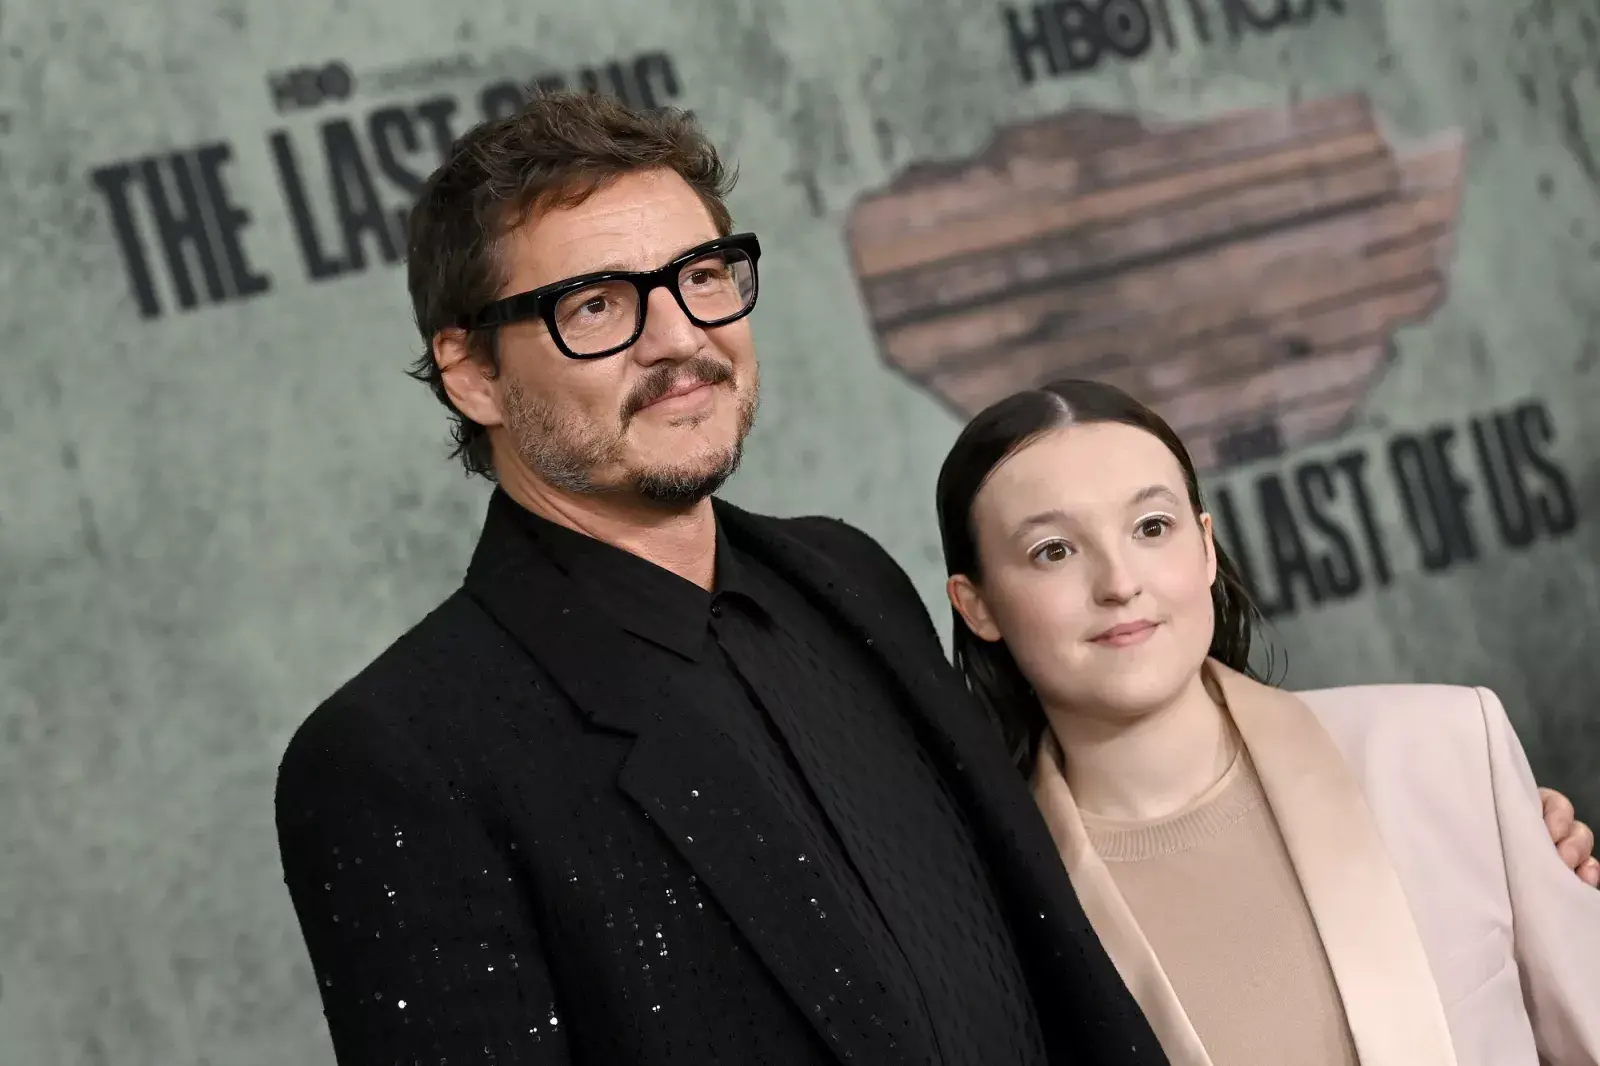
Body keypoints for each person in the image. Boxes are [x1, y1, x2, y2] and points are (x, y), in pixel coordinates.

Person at [273, 93, 1595, 1066]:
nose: (680, 339)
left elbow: (1068, 872)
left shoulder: (846, 578)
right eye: (600, 306)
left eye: (700, 278)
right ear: (473, 370)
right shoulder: (401, 754)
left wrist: (1471, 840)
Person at [936, 378, 1600, 1066]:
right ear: (976, 604)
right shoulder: (992, 914)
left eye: (1151, 528)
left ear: (1204, 545)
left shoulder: (1445, 749)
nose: (1119, 582)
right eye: (1054, 550)